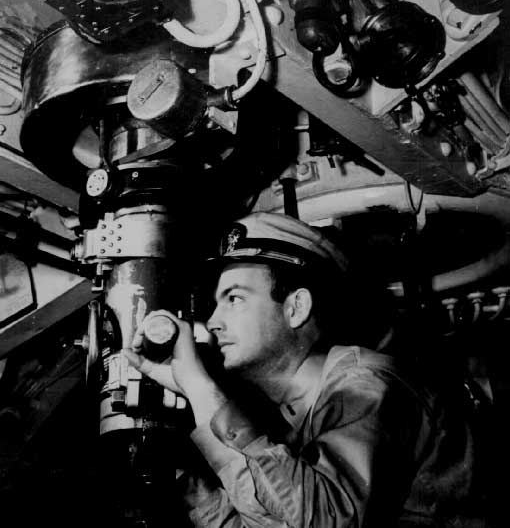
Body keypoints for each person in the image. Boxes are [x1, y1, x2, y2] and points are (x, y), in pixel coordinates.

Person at [124, 211, 486, 527]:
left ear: (296, 307)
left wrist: (199, 387)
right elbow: (273, 519)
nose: (213, 321)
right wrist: (179, 480)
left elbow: (325, 519)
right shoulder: (290, 424)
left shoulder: (370, 385)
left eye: (234, 299)